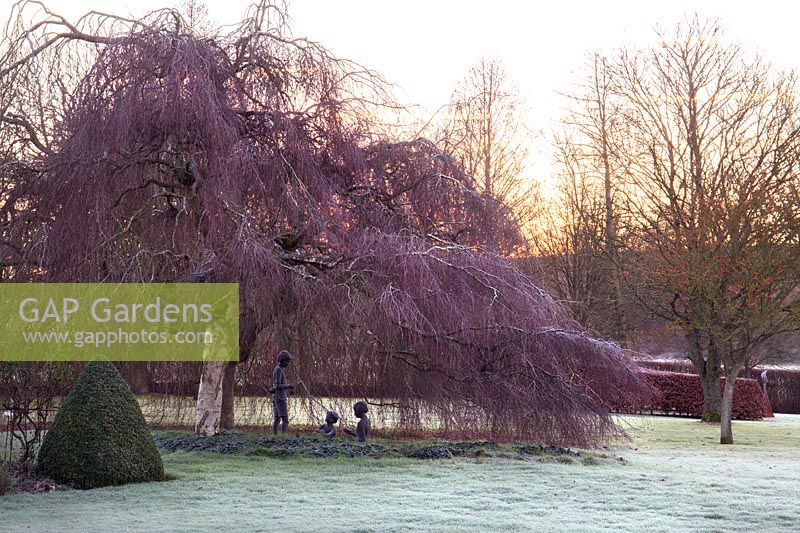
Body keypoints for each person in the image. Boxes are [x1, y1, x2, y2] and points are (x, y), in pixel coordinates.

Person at [271, 349, 294, 435]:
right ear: (282, 360)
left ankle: (275, 436)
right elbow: (277, 385)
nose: (288, 363)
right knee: (285, 419)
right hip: (280, 398)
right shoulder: (278, 370)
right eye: (287, 361)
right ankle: (284, 437)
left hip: (277, 397)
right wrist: (288, 386)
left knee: (277, 418)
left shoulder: (279, 369)